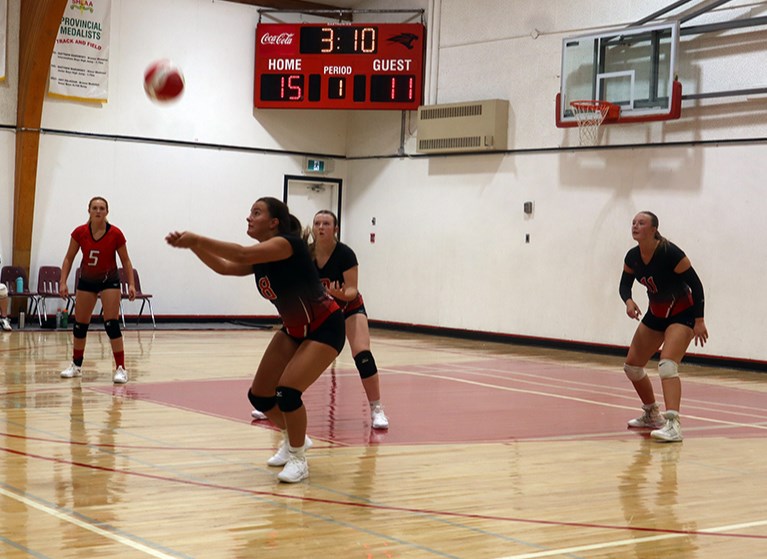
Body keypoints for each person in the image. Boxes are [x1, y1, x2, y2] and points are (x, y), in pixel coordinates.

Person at [166, 197, 345, 483]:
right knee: (260, 395)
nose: (249, 217)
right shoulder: (262, 256)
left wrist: (198, 237)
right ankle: (295, 438)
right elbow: (225, 267)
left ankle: (299, 459)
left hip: (325, 326)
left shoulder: (287, 244)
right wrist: (195, 247)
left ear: (274, 222)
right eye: (250, 212)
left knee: (287, 392)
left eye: (256, 213)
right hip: (294, 328)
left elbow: (239, 254)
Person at [619, 211, 708, 443]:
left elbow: (696, 285)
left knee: (667, 365)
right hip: (657, 313)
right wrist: (628, 301)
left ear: (653, 229)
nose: (635, 226)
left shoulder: (670, 253)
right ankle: (651, 413)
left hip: (682, 313)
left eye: (641, 223)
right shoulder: (632, 257)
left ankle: (673, 424)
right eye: (633, 223)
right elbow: (624, 285)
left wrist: (699, 320)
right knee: (632, 367)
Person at [309, 209, 389, 429]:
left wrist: (339, 294)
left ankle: (377, 409)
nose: (321, 227)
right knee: (294, 351)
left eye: (326, 223)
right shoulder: (307, 254)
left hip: (348, 307)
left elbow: (352, 290)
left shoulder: (345, 254)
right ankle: (274, 400)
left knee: (362, 354)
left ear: (335, 229)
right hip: (322, 310)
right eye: (317, 223)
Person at [59, 196, 136, 384]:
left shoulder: (115, 233)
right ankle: (76, 365)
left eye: (102, 208)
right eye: (95, 208)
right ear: (89, 211)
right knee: (80, 325)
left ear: (107, 212)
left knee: (111, 324)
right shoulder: (80, 232)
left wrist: (131, 284)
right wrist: (63, 281)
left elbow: (125, 260)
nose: (98, 211)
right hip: (87, 280)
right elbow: (69, 258)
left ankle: (120, 368)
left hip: (109, 281)